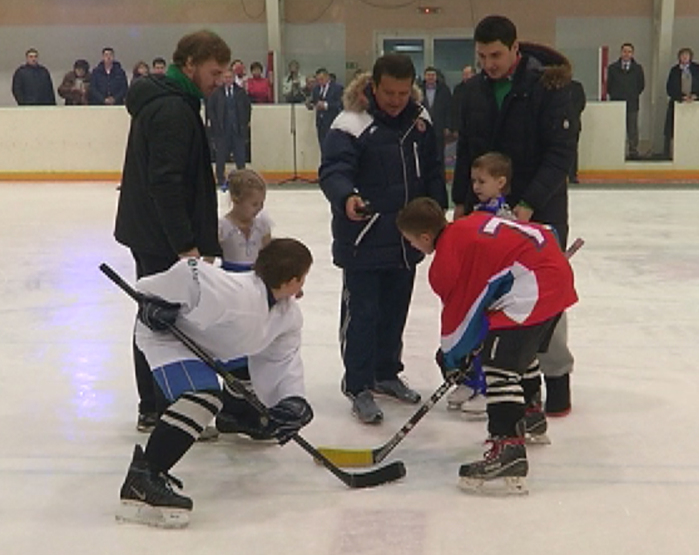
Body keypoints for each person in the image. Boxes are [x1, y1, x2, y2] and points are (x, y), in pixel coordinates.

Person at [117, 238, 314, 528]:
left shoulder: (287, 316)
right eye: (302, 279)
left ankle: (237, 415)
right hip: (169, 338)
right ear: (291, 280)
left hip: (216, 345)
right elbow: (189, 271)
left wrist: (291, 401)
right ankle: (144, 477)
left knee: (246, 365)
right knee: (203, 398)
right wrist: (154, 300)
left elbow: (279, 361)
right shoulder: (236, 293)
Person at [396, 197, 577, 494]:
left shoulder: (446, 259)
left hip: (533, 288)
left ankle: (508, 448)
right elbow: (542, 232)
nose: (413, 247)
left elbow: (461, 316)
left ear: (425, 237)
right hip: (554, 277)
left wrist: (453, 359)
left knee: (499, 365)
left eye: (411, 241)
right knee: (518, 348)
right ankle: (529, 416)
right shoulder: (470, 223)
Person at [451, 15, 577, 418]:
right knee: (492, 295)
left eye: (497, 54)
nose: (489, 63)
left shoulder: (548, 88)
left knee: (544, 299)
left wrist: (528, 205)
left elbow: (560, 156)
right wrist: (461, 203)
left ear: (515, 48)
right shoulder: (471, 92)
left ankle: (556, 381)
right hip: (489, 216)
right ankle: (506, 382)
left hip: (540, 214)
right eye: (482, 56)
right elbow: (467, 150)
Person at [319, 53, 448, 424]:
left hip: (407, 240)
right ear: (373, 87)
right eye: (388, 92)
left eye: (403, 93)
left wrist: (438, 209)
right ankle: (358, 383)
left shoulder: (420, 122)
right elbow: (333, 170)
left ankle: (386, 372)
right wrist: (347, 197)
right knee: (363, 315)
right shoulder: (350, 124)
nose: (395, 100)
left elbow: (434, 170)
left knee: (394, 311)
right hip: (363, 237)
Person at [113, 30, 231, 433]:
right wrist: (185, 244)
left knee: (161, 317)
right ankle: (157, 407)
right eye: (214, 72)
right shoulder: (172, 111)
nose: (219, 81)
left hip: (154, 233)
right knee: (157, 320)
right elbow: (164, 183)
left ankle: (160, 403)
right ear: (191, 64)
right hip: (160, 237)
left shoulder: (178, 103)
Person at [446, 152, 512, 417]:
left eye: (481, 182)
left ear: (500, 182)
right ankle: (471, 381)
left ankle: (486, 389)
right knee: (472, 338)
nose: (475, 187)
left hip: (493, 291)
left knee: (486, 339)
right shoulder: (478, 211)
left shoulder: (504, 217)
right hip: (476, 288)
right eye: (473, 181)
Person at [213, 169, 276, 438]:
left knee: (256, 344)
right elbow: (206, 261)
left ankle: (243, 404)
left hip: (256, 287)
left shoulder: (262, 223)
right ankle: (234, 408)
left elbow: (270, 254)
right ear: (235, 199)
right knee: (235, 347)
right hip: (231, 288)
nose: (258, 209)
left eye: (261, 204)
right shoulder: (222, 227)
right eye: (253, 204)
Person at [207, 69, 251, 188]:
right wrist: (215, 124)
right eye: (225, 77)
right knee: (220, 156)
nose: (228, 79)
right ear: (222, 79)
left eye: (230, 77)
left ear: (233, 78)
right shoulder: (216, 93)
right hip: (222, 130)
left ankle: (242, 179)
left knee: (240, 157)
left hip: (237, 130)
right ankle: (220, 179)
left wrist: (244, 123)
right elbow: (210, 109)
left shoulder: (240, 92)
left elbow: (247, 108)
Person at [606, 43, 645, 159]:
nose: (626, 54)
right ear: (621, 52)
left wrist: (632, 94)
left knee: (632, 128)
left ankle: (633, 151)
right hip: (616, 102)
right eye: (624, 51)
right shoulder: (613, 68)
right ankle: (615, 149)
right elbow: (609, 85)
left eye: (629, 52)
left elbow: (641, 85)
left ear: (632, 54)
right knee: (616, 127)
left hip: (632, 102)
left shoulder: (637, 68)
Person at [664, 47, 699, 158]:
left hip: (694, 105)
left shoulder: (697, 69)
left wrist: (695, 96)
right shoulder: (674, 71)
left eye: (687, 55)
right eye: (682, 55)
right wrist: (681, 97)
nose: (684, 57)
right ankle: (671, 154)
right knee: (673, 130)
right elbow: (669, 88)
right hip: (677, 104)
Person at [420, 66, 453, 176]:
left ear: (436, 77)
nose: (430, 77)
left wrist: (448, 126)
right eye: (428, 75)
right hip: (422, 128)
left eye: (432, 75)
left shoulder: (444, 90)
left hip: (439, 127)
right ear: (424, 76)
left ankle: (440, 178)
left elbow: (449, 108)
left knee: (439, 154)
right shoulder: (418, 89)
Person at [310, 67, 344, 148]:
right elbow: (314, 101)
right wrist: (311, 104)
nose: (320, 82)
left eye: (322, 79)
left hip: (332, 121)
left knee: (332, 146)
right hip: (320, 123)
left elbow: (341, 104)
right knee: (322, 146)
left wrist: (326, 105)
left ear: (327, 77)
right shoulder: (316, 89)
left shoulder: (337, 88)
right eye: (318, 80)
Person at [451, 65, 474, 136]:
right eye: (464, 74)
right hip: (461, 125)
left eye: (467, 74)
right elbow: (454, 109)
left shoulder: (480, 88)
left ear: (474, 75)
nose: (465, 77)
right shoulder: (458, 89)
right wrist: (455, 128)